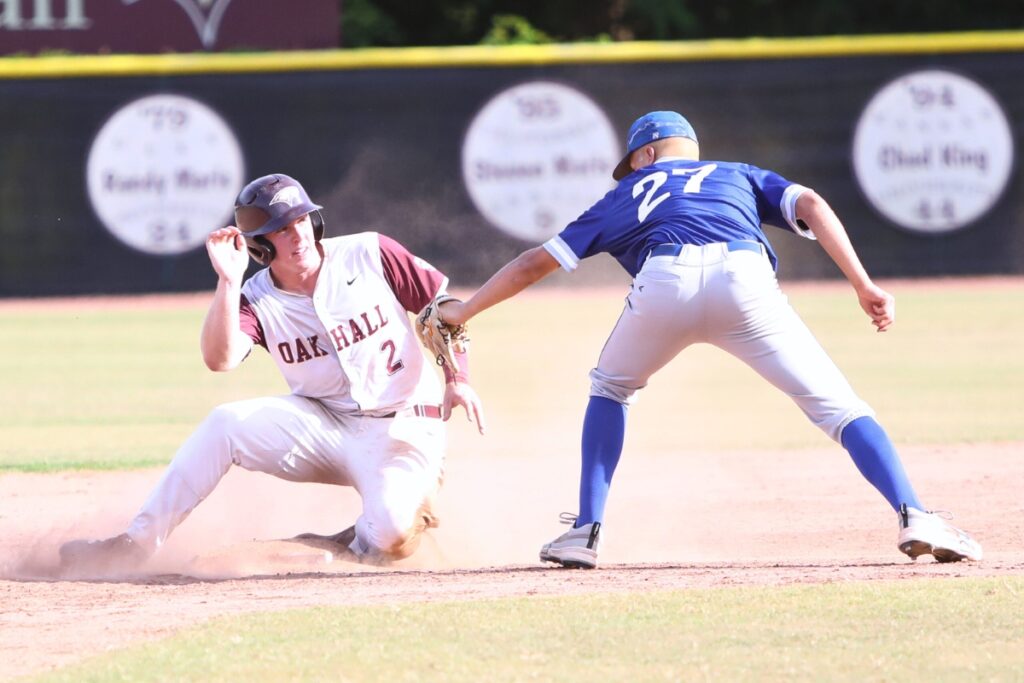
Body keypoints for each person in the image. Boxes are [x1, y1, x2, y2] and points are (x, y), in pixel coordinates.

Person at [439, 111, 982, 569]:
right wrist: (863, 284)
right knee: (838, 408)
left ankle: (586, 530)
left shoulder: (624, 194)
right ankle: (915, 513)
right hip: (745, 283)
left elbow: (537, 262)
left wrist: (466, 309)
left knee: (610, 389)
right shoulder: (738, 173)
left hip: (664, 282)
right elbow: (812, 203)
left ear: (645, 156)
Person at [60, 173, 485, 572]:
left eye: (301, 220)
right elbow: (219, 359)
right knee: (225, 423)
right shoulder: (255, 297)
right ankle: (135, 545)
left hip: (405, 426)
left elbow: (442, 311)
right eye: (282, 229)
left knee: (392, 533)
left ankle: (355, 541)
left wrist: (458, 379)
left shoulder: (370, 252)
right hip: (325, 423)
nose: (297, 234)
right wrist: (228, 282)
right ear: (260, 246)